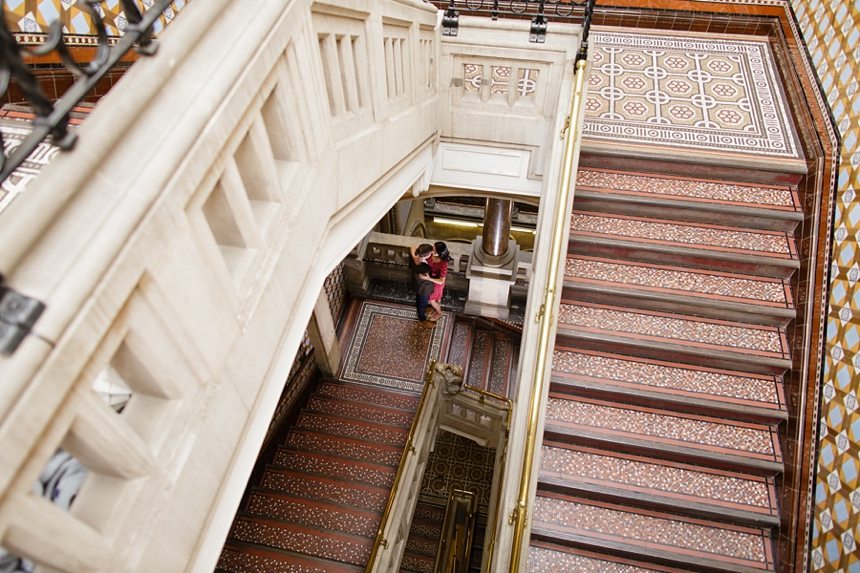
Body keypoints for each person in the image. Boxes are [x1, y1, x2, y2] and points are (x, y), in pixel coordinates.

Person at [409, 243, 436, 322]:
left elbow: (412, 246)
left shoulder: (413, 258)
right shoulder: (426, 268)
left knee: (418, 299)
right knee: (422, 303)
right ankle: (422, 317)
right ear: (426, 256)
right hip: (425, 288)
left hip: (417, 284)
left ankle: (419, 311)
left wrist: (414, 256)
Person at [427, 241, 452, 321]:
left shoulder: (443, 263)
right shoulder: (431, 255)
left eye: (434, 249)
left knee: (432, 300)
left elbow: (441, 281)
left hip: (437, 283)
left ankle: (439, 312)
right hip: (430, 280)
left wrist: (429, 278)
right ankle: (436, 309)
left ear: (439, 252)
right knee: (435, 298)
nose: (432, 250)